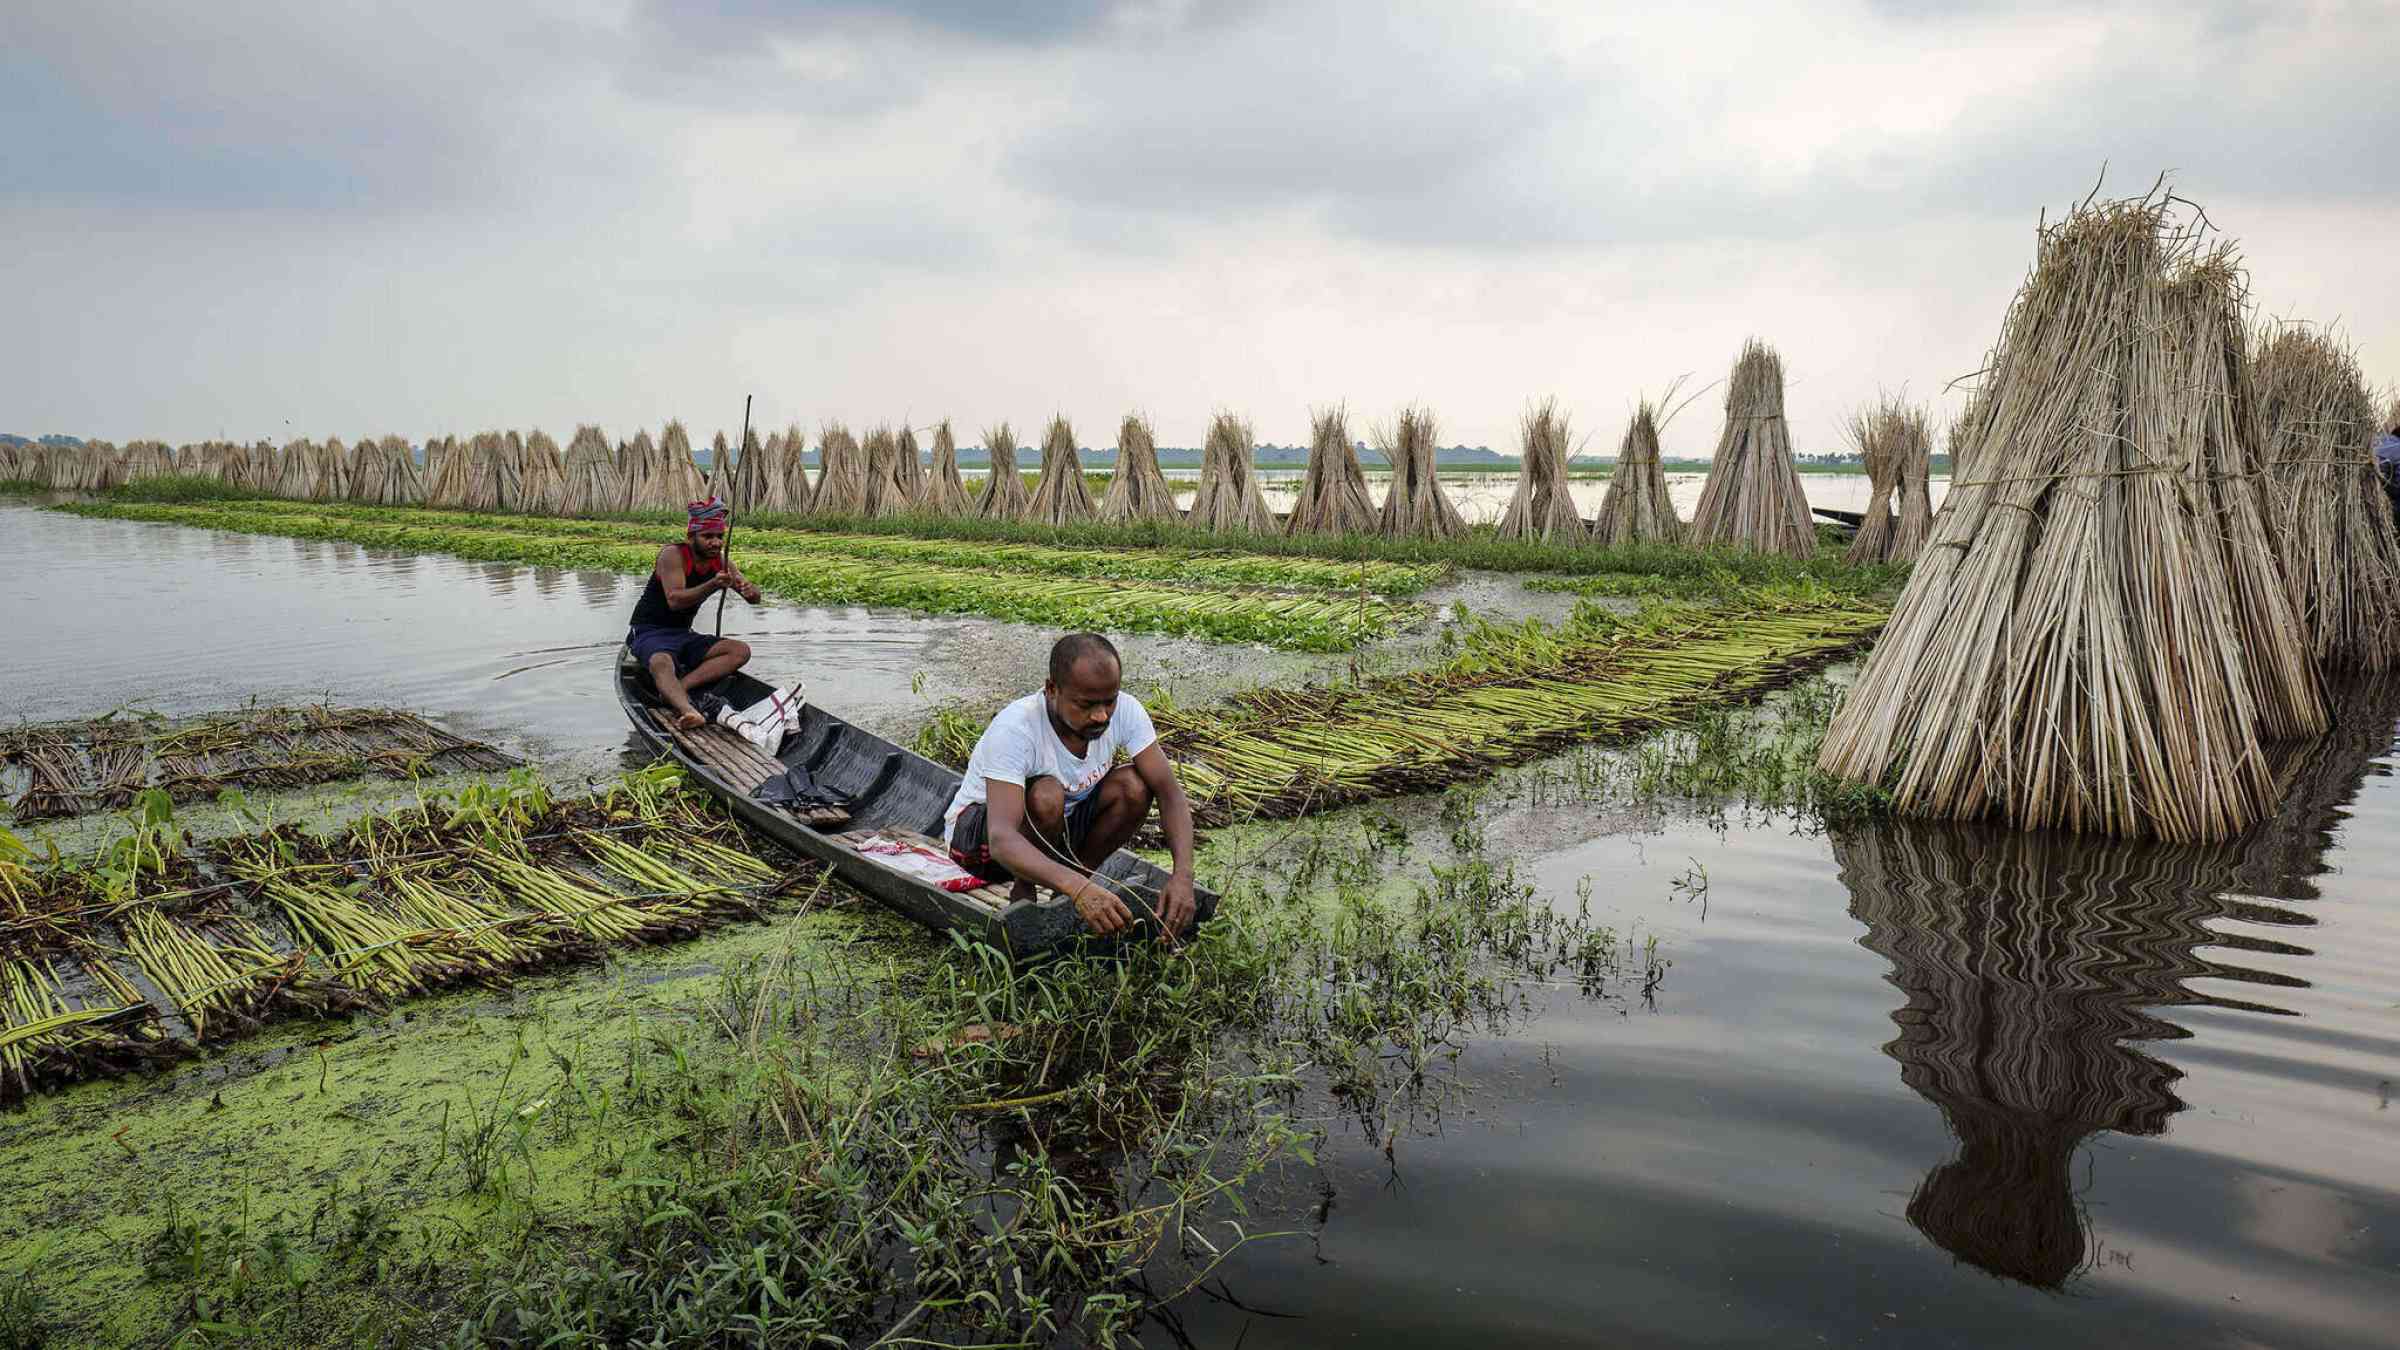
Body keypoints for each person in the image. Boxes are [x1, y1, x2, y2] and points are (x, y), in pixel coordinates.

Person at [944, 633, 1199, 940]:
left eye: (1110, 700)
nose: (1101, 715)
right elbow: (1001, 839)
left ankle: (1074, 881)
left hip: (1056, 834)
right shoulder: (1016, 728)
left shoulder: (1127, 712)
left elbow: (1169, 792)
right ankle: (1024, 888)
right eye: (1086, 704)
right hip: (979, 846)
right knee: (1047, 794)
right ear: (1052, 689)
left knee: (1134, 786)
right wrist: (1080, 891)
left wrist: (1183, 876)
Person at [627, 495, 763, 729]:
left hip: (683, 634)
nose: (716, 543)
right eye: (707, 537)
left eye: (719, 537)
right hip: (649, 632)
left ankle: (680, 687)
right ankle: (689, 711)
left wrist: (751, 592)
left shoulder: (721, 563)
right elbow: (675, 600)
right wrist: (712, 584)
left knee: (739, 651)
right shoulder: (673, 555)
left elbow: (754, 598)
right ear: (691, 537)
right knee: (661, 661)